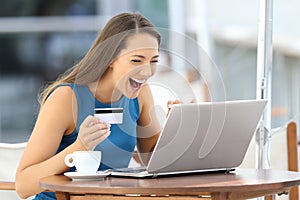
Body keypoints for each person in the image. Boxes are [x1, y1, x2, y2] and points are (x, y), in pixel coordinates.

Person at [16, 12, 178, 200]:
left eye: (154, 61)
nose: (147, 71)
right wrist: (79, 147)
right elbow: (23, 185)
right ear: (110, 58)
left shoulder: (140, 94)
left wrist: (175, 130)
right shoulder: (66, 98)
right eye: (136, 60)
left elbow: (153, 161)